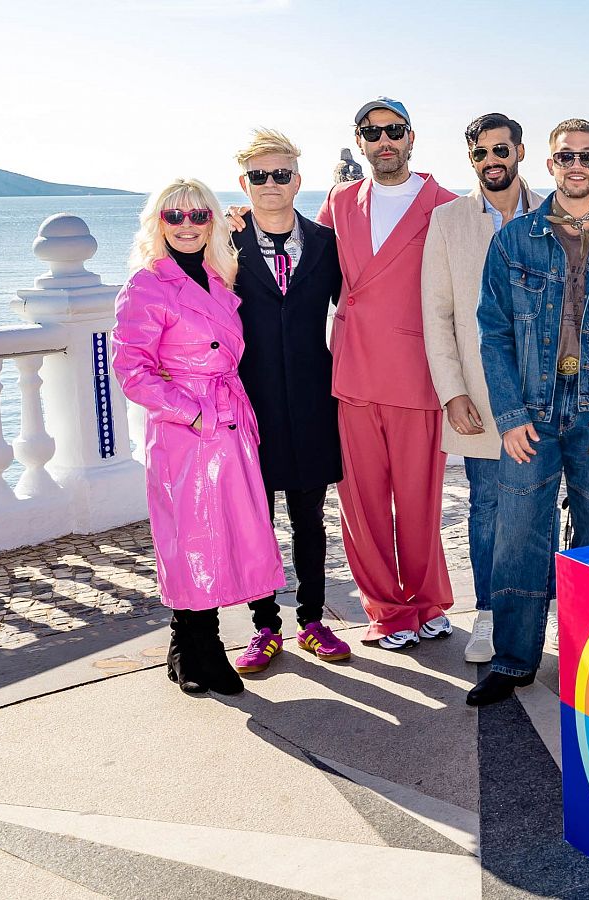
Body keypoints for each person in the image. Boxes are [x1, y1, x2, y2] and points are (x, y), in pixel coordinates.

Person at [467, 118, 589, 706]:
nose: (577, 165)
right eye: (566, 157)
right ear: (549, 165)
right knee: (519, 534)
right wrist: (507, 415)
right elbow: (492, 332)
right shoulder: (513, 240)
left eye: (588, 157)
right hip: (530, 411)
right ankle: (513, 659)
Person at [112, 178, 286, 696]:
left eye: (198, 216)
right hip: (186, 431)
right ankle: (200, 648)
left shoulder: (219, 277)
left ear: (212, 221)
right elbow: (131, 369)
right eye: (174, 216)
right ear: (157, 223)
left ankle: (184, 644)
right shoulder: (145, 285)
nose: (187, 225)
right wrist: (193, 415)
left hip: (229, 423)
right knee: (190, 537)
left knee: (228, 534)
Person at [318, 97, 458, 650]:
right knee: (362, 500)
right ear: (359, 141)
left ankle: (426, 600)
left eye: (393, 130)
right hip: (353, 372)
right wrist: (241, 232)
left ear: (411, 136)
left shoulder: (444, 205)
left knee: (421, 499)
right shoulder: (339, 203)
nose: (384, 141)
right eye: (371, 132)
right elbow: (302, 263)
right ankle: (385, 609)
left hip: (418, 372)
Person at [222, 129, 353, 674]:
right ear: (244, 183)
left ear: (298, 180)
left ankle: (313, 620)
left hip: (311, 399)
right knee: (257, 520)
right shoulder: (223, 244)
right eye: (259, 175)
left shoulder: (326, 244)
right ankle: (263, 627)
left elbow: (358, 308)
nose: (270, 184)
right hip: (248, 404)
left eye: (281, 174)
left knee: (309, 519)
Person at [422, 113, 546, 663]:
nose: (491, 160)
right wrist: (452, 392)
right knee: (489, 505)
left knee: (541, 506)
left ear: (519, 150)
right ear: (471, 159)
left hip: (549, 395)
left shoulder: (556, 212)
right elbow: (437, 312)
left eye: (501, 149)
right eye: (480, 153)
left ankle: (535, 615)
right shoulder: (447, 221)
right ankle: (490, 615)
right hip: (479, 393)